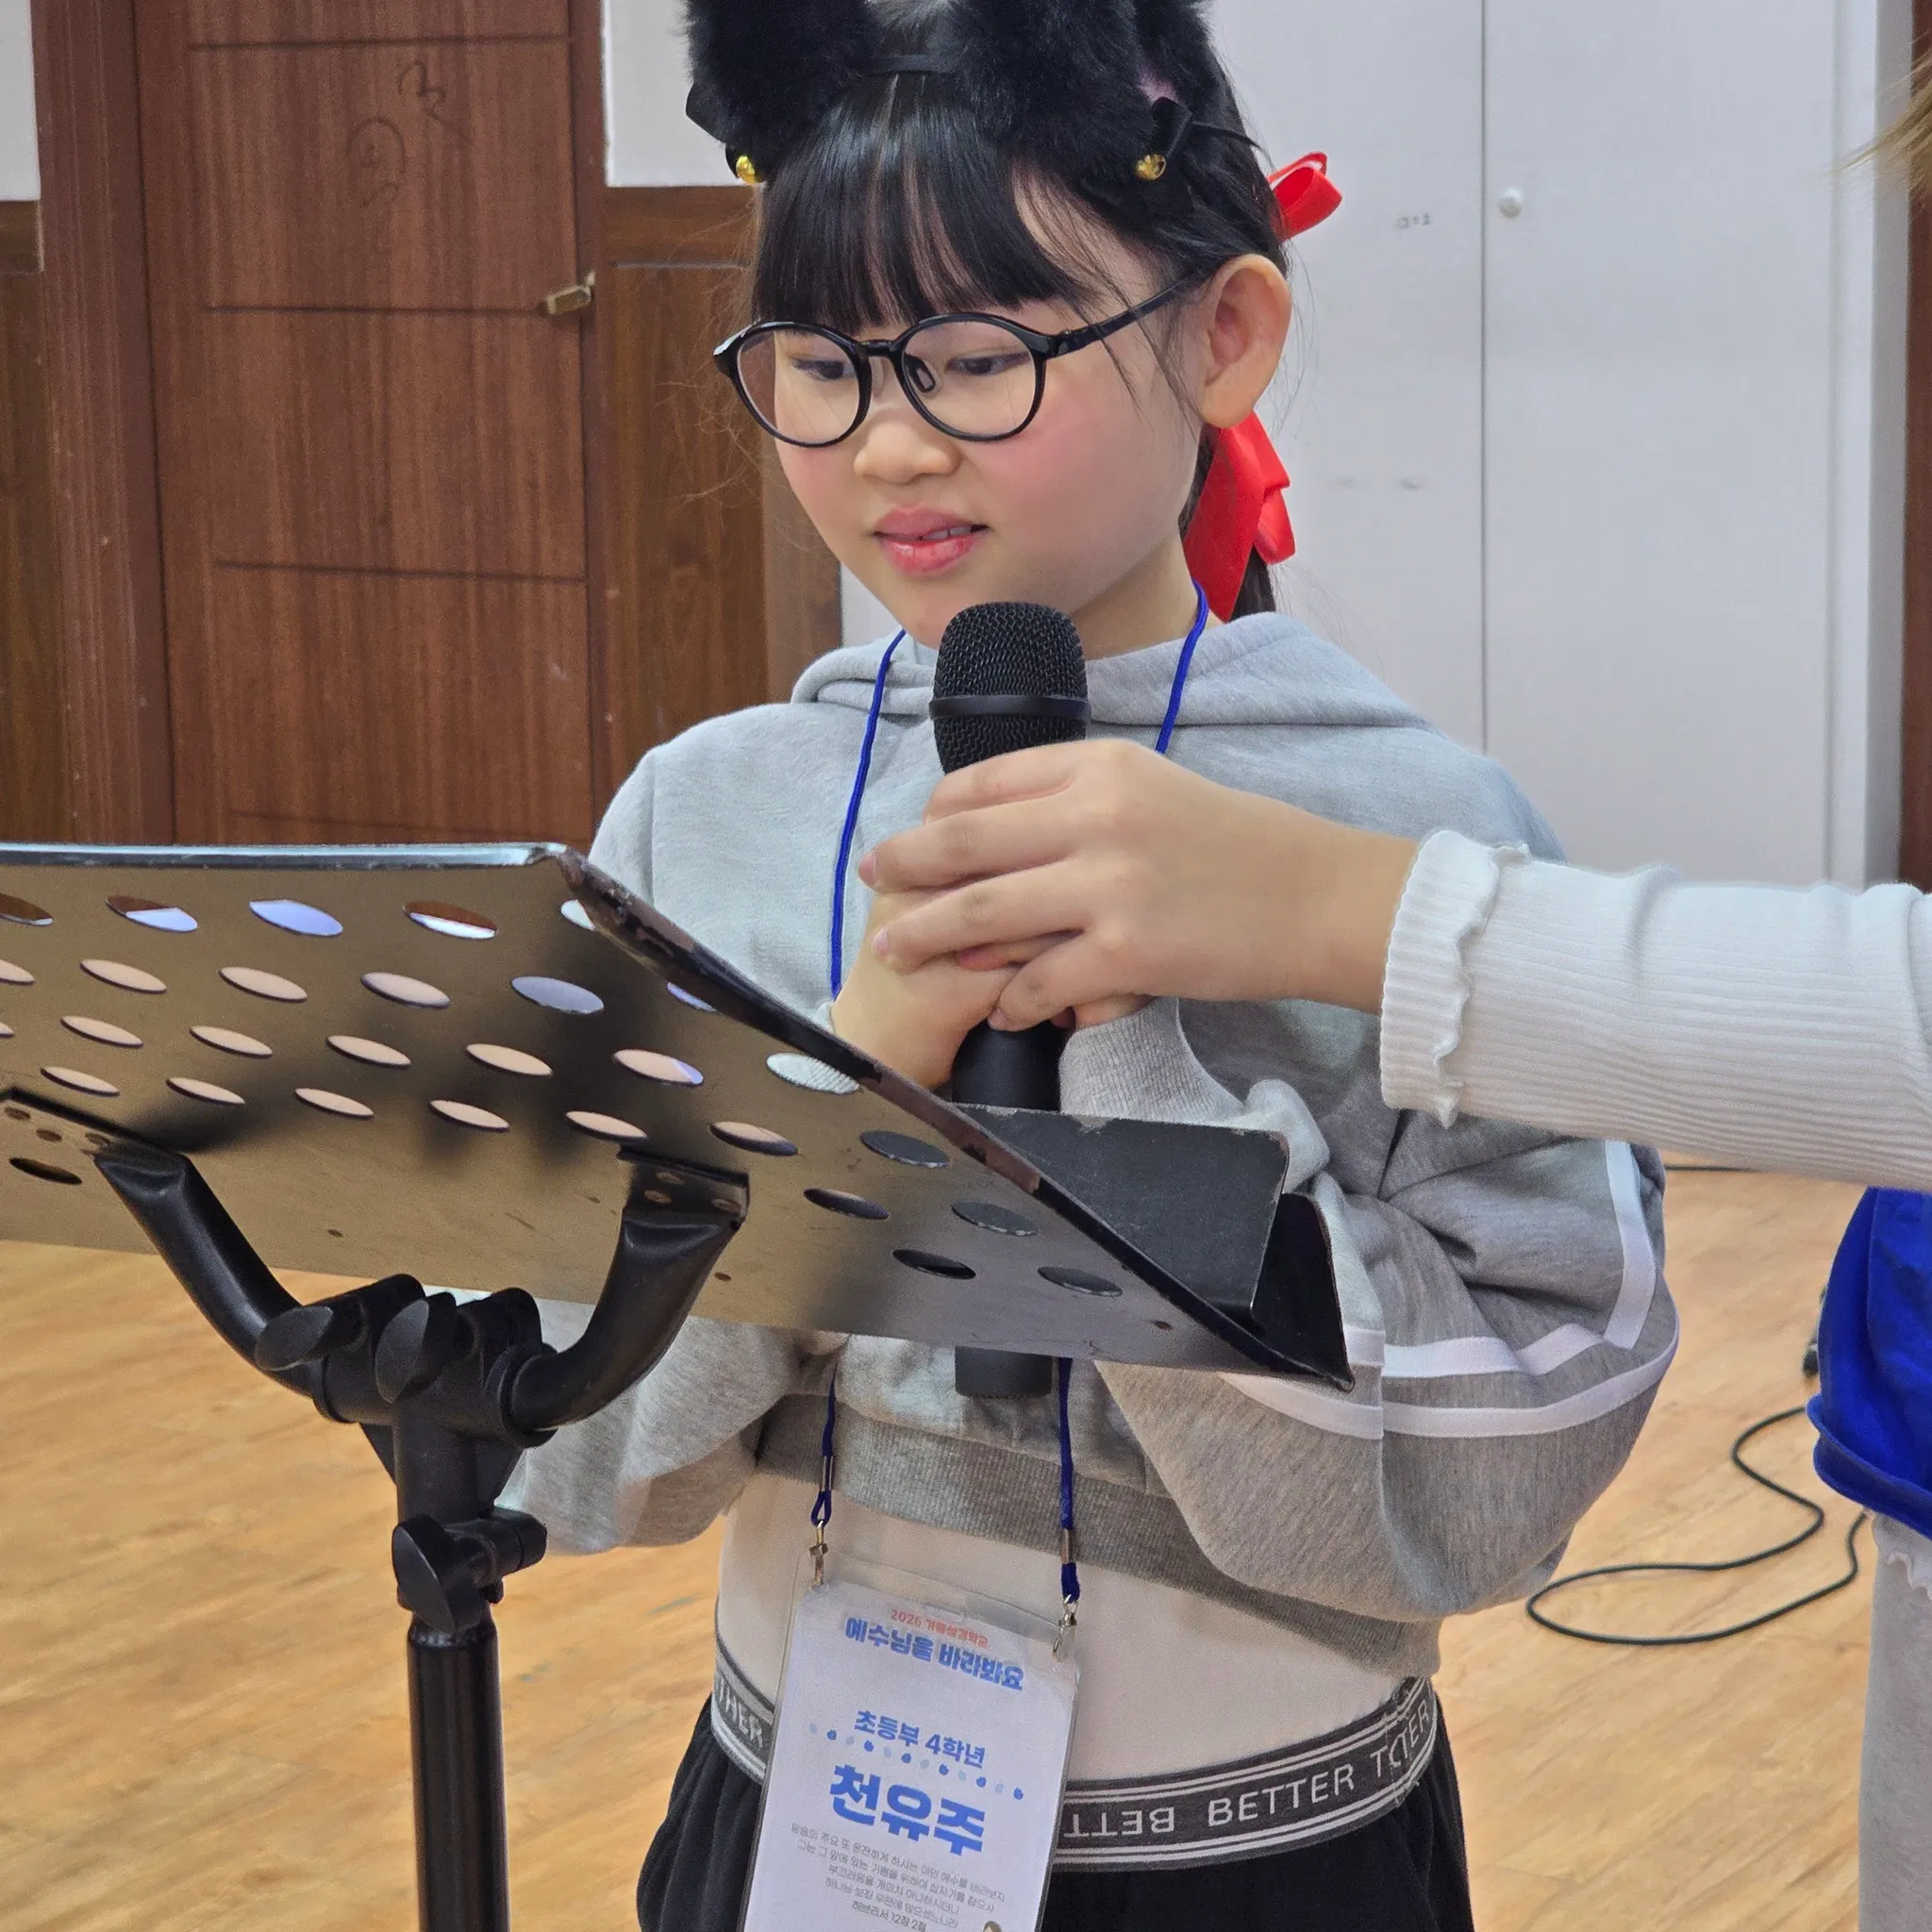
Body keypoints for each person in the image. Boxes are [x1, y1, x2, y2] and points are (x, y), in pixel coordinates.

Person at [504, 3, 1678, 1928]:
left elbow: (1505, 1476)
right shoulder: (701, 817)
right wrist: (840, 1095)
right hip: (799, 1821)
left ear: (1225, 335)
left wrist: (1139, 1058)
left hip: (1267, 1850)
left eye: (979, 359)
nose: (889, 441)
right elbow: (558, 1452)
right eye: (821, 365)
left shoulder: (1415, 835)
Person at [859, 666, 1932, 1932]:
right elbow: (645, 1456)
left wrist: (1311, 927)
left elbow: (1482, 1495)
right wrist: (835, 1105)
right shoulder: (714, 792)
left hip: (1281, 1833)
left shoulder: (1426, 798)